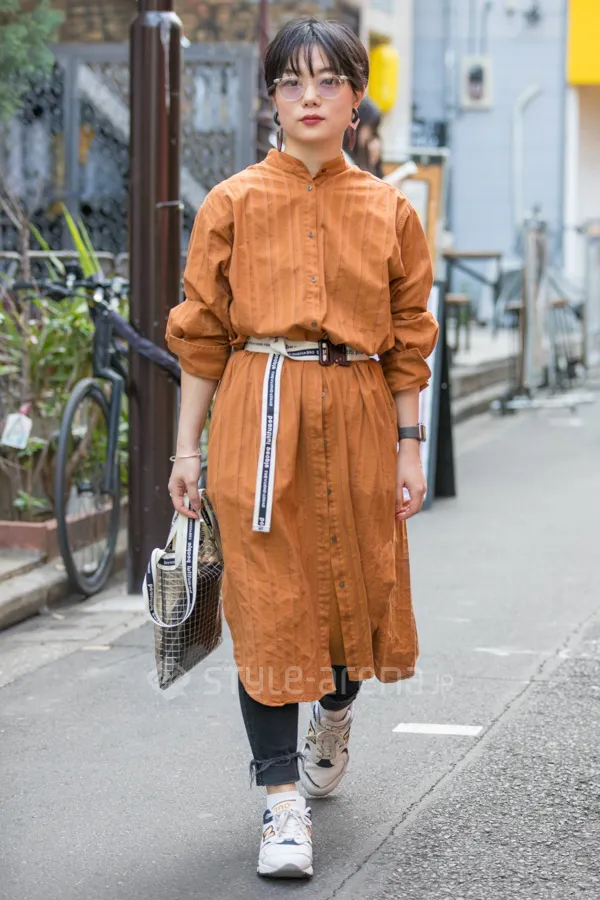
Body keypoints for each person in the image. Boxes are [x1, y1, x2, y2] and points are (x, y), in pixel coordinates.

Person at [165, 17, 438, 880]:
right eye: (291, 82)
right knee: (269, 601)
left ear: (356, 99)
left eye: (327, 81)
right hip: (259, 413)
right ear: (272, 99)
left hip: (359, 414)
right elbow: (201, 335)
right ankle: (281, 800)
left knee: (354, 589)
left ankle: (337, 709)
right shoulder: (232, 203)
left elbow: (408, 337)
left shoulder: (390, 210)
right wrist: (185, 453)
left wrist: (409, 445)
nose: (309, 96)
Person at [344, 94, 384, 178]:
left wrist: (373, 164)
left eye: (373, 129)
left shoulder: (370, 147)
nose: (370, 135)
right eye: (369, 128)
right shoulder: (344, 155)